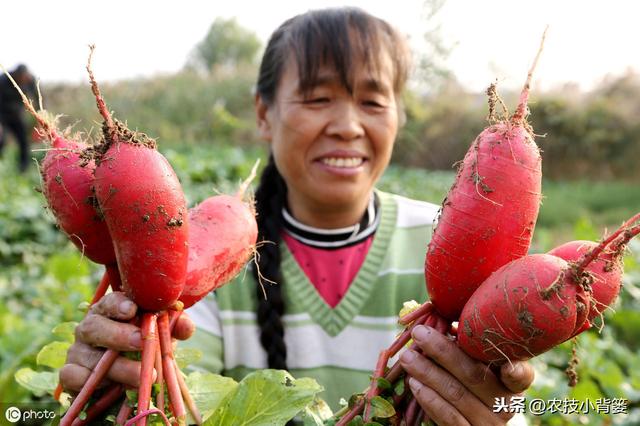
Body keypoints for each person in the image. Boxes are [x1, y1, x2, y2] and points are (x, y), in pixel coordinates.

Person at [60, 7, 535, 425]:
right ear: (263, 113)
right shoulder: (207, 255)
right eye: (317, 98)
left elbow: (498, 402)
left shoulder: (443, 244)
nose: (348, 126)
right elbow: (174, 395)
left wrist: (492, 411)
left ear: (399, 117)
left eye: (371, 101)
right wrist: (116, 372)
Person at [0, 64, 36, 172]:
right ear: (16, 75)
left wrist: (41, 120)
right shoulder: (3, 80)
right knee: (2, 139)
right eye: (21, 78)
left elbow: (39, 98)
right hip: (2, 115)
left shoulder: (30, 80)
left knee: (24, 141)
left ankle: (23, 169)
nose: (23, 81)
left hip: (17, 115)